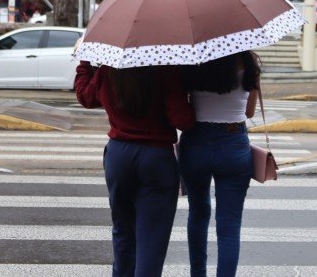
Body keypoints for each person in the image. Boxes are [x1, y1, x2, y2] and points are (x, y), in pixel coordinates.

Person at [76, 61, 195, 277]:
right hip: (156, 158)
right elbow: (183, 120)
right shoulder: (166, 70)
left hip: (119, 156)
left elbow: (86, 96)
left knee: (122, 233)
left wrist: (84, 63)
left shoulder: (108, 70)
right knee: (152, 239)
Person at [179, 51, 261, 277]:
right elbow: (249, 111)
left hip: (196, 141)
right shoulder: (248, 61)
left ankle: (198, 273)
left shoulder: (193, 57)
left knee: (197, 212)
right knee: (229, 226)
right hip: (233, 143)